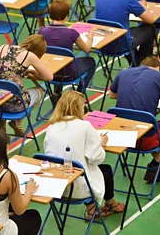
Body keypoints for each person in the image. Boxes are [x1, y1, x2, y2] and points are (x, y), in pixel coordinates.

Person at [44, 91, 125, 219]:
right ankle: (110, 203)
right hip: (78, 188)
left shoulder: (51, 127)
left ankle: (92, 208)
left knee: (80, 166)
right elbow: (96, 158)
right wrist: (102, 144)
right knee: (105, 170)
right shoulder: (85, 126)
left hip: (56, 186)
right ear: (77, 108)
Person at [109, 57, 160, 181]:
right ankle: (156, 164)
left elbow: (112, 94)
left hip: (121, 137)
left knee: (148, 120)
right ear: (158, 68)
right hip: (145, 140)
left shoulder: (124, 72)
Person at [0, 35, 53, 136]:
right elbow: (49, 77)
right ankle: (18, 121)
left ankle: (2, 121)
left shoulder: (3, 47)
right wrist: (35, 74)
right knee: (40, 91)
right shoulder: (29, 55)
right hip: (16, 104)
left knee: (8, 89)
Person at [38, 0, 97, 98]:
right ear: (66, 16)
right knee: (90, 61)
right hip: (69, 74)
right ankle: (79, 95)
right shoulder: (71, 33)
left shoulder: (42, 31)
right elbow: (86, 49)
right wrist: (90, 37)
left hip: (50, 72)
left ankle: (57, 90)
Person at [95, 0, 155, 66]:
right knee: (150, 27)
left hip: (102, 43)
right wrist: (142, 7)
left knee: (126, 32)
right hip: (121, 44)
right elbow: (150, 19)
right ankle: (142, 63)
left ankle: (136, 61)